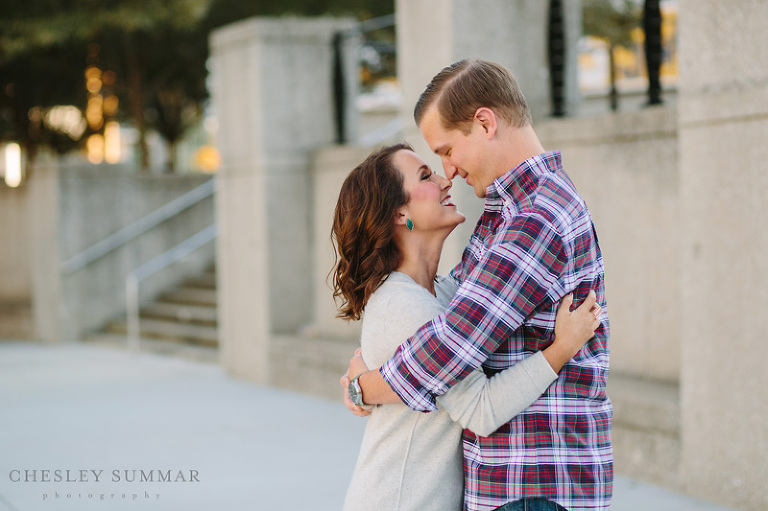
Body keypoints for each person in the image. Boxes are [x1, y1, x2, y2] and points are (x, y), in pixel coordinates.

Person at [343, 59, 612, 511]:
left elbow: (453, 343)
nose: (448, 170)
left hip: (532, 482)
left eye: (447, 151)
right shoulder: (505, 213)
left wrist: (366, 386)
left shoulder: (535, 218)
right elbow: (448, 302)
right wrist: (370, 350)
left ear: (484, 123)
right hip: (515, 482)